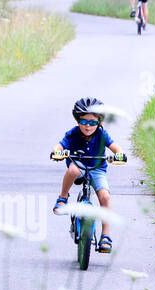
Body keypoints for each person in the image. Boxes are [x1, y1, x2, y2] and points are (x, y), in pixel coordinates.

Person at [50, 97, 126, 253]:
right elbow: (59, 145)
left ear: (99, 122)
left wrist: (119, 155)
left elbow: (117, 149)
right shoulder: (73, 133)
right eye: (83, 121)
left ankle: (105, 236)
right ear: (77, 120)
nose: (88, 126)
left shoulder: (102, 135)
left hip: (97, 168)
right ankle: (63, 197)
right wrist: (57, 151)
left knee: (105, 197)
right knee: (73, 170)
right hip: (77, 164)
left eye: (92, 122)